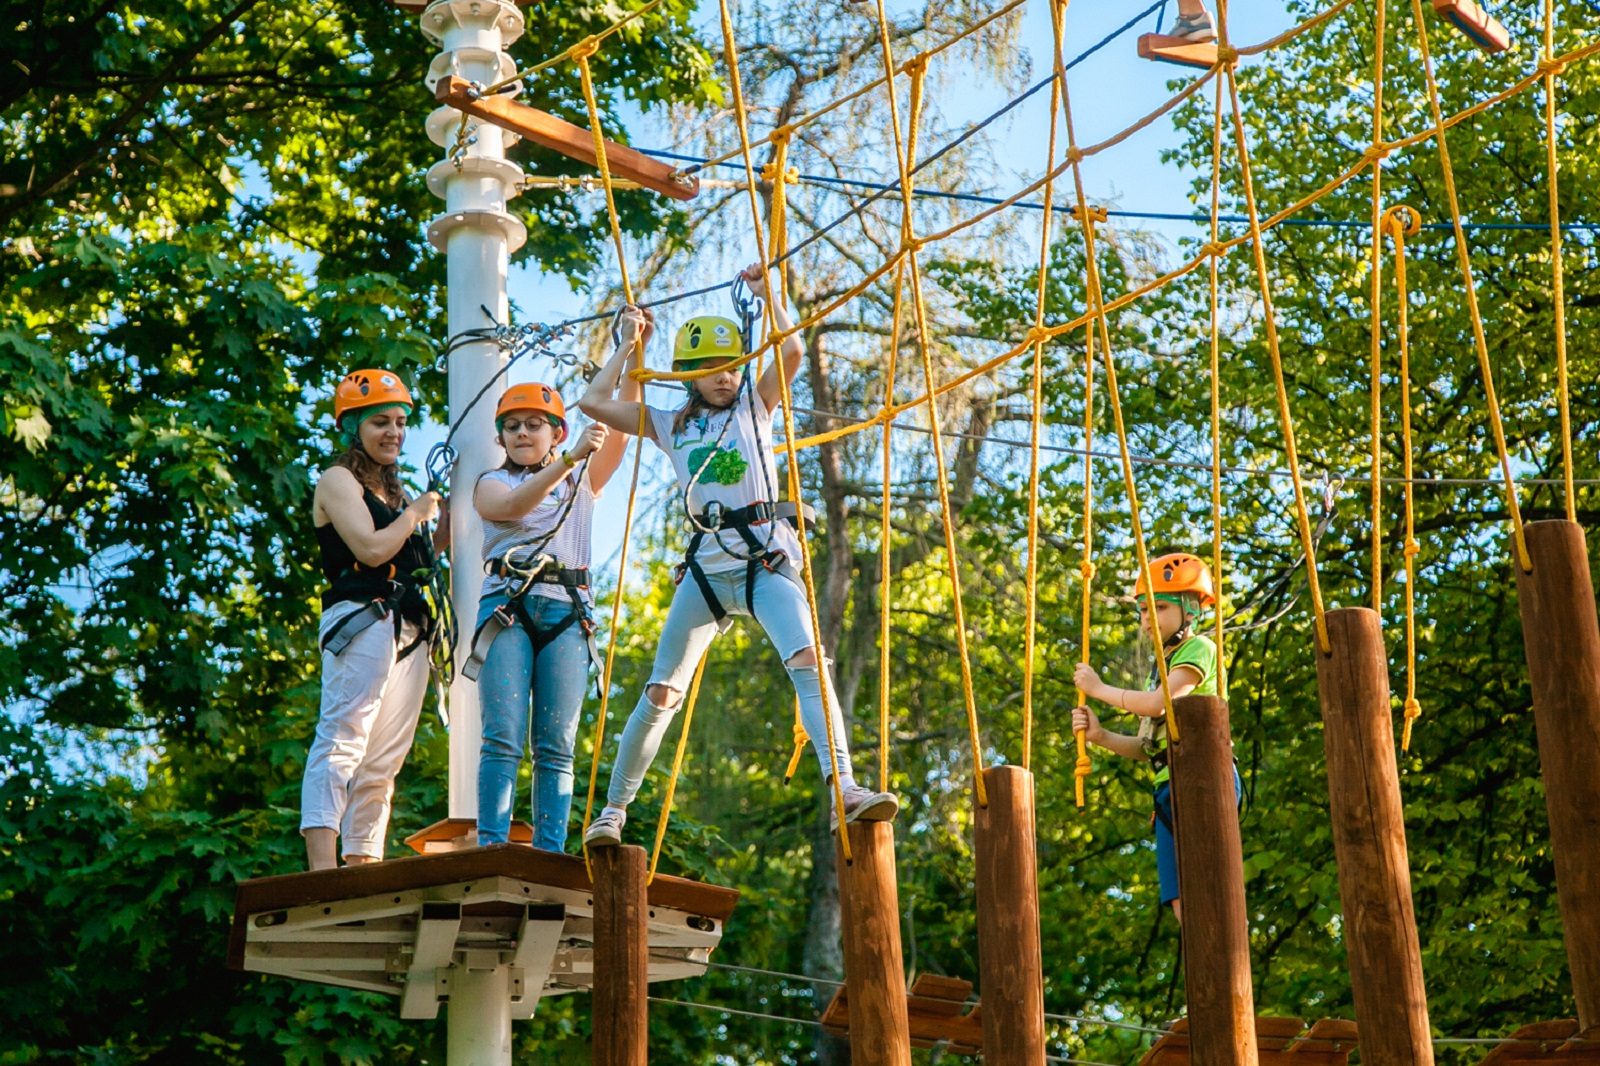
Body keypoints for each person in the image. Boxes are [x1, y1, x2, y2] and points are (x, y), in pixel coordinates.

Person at [577, 264, 897, 847]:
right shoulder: (669, 423)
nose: (723, 378)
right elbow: (594, 402)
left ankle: (843, 788)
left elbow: (793, 351)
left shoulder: (755, 404)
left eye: (729, 366)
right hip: (705, 570)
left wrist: (769, 293)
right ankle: (613, 812)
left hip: (762, 562)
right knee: (661, 691)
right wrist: (628, 345)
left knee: (807, 661)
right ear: (689, 378)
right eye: (708, 370)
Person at [469, 312, 644, 850]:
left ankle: (549, 849)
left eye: (534, 424)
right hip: (508, 607)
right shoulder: (491, 482)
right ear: (501, 435)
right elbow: (517, 505)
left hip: (566, 610)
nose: (523, 433)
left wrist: (630, 350)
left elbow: (626, 412)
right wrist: (568, 459)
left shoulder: (585, 478)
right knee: (502, 739)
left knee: (557, 745)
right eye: (513, 426)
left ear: (555, 430)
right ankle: (492, 846)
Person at [303, 369, 443, 871]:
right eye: (381, 421)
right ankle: (323, 868)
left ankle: (363, 863)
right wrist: (416, 515)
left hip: (407, 625)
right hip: (362, 616)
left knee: (384, 759)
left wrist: (437, 518)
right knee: (343, 738)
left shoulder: (398, 495)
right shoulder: (338, 481)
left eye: (401, 422)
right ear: (353, 427)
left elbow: (420, 557)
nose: (394, 432)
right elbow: (370, 546)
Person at [1071, 551, 1239, 923]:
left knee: (1209, 887)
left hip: (1204, 777)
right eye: (1144, 611)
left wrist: (1099, 689)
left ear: (1190, 610)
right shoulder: (1160, 669)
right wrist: (1101, 736)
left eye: (1159, 608)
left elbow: (1157, 706)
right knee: (1181, 902)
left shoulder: (1200, 650)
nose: (1148, 620)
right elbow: (1150, 749)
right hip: (1167, 785)